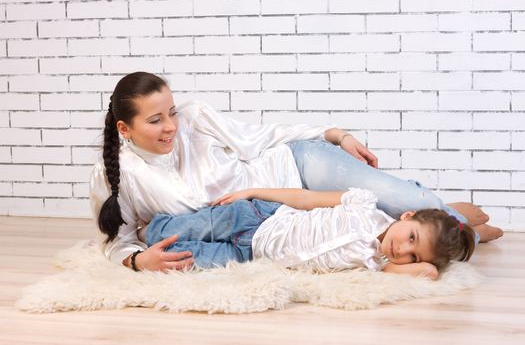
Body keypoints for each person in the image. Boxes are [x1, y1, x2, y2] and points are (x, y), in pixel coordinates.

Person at [89, 72, 501, 272]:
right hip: (269, 222)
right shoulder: (115, 175)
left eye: (172, 113)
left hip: (295, 167)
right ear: (125, 128)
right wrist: (138, 263)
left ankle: (461, 225)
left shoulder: (196, 119)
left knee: (417, 206)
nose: (172, 127)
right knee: (419, 217)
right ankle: (466, 229)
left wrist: (336, 134)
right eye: (156, 120)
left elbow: (264, 136)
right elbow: (117, 241)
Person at [138, 187, 476, 280]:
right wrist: (253, 192)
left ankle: (148, 249)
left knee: (181, 259)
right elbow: (304, 198)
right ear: (407, 215)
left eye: (412, 255)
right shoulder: (363, 203)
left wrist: (426, 261)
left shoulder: (376, 263)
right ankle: (139, 231)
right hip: (258, 219)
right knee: (169, 230)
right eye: (411, 237)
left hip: (249, 256)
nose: (402, 250)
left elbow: (429, 272)